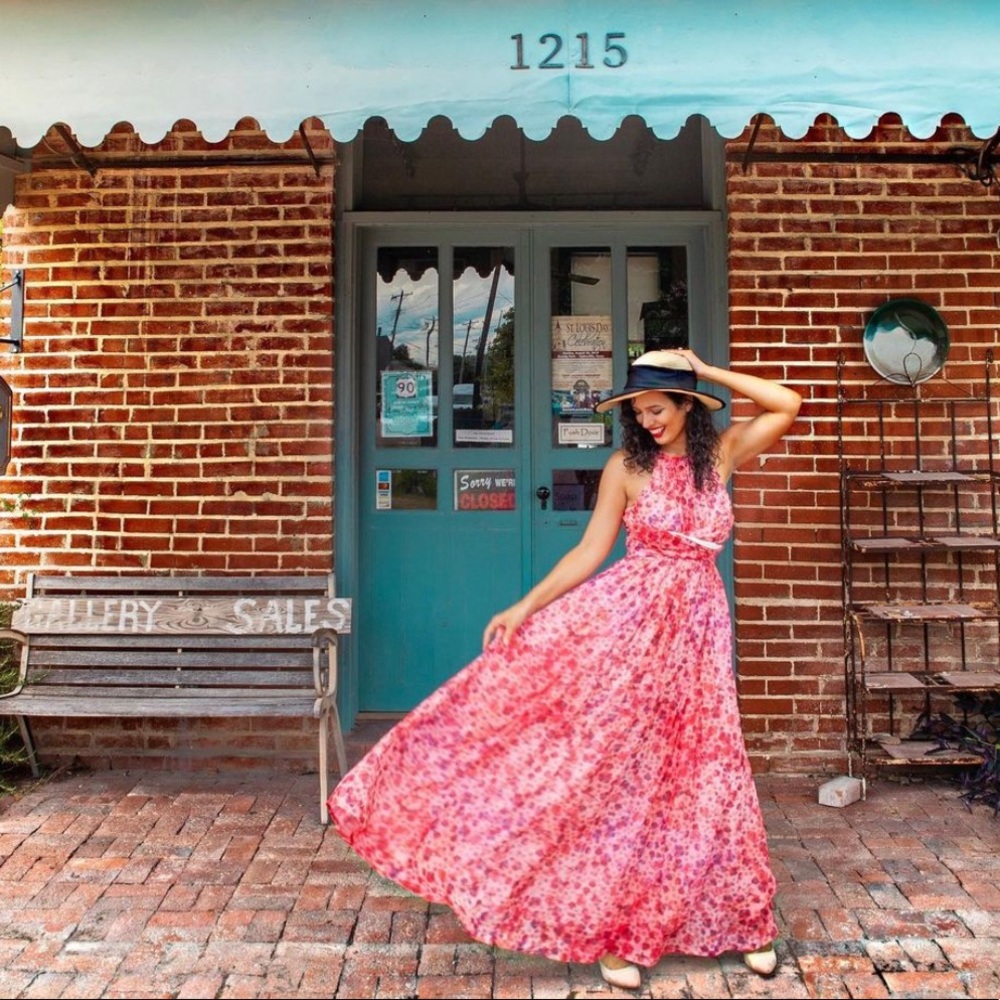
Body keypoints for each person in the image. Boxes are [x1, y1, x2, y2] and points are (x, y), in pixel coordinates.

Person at [328, 348, 802, 991]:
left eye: (658, 408)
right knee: (621, 775)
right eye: (639, 411)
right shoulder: (625, 469)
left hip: (698, 634)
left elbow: (787, 404)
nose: (649, 421)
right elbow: (589, 551)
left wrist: (705, 371)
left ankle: (744, 920)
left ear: (687, 404)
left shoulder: (718, 456)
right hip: (629, 630)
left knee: (709, 768)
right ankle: (616, 932)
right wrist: (525, 605)